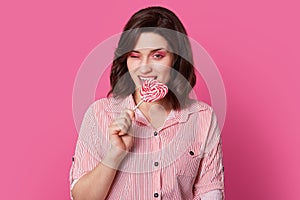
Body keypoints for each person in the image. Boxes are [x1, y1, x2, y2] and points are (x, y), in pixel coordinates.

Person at [69, 6, 225, 200]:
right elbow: (81, 198)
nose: (145, 67)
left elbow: (211, 192)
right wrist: (114, 155)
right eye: (135, 56)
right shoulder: (99, 114)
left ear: (175, 58)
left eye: (157, 56)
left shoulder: (202, 117)